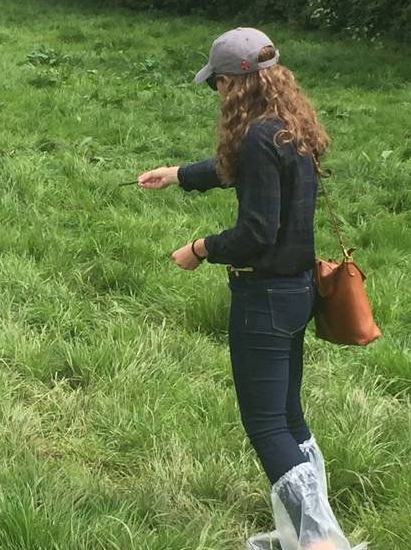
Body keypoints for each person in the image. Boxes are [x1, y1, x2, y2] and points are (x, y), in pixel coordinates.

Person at [137, 28, 366, 550]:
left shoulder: (259, 137)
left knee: (265, 426)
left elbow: (255, 233)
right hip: (296, 291)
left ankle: (321, 545)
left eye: (217, 82)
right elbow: (235, 173)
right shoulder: (289, 126)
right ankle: (307, 532)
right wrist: (176, 174)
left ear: (234, 83)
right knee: (288, 418)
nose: (216, 93)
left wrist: (199, 249)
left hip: (263, 298)